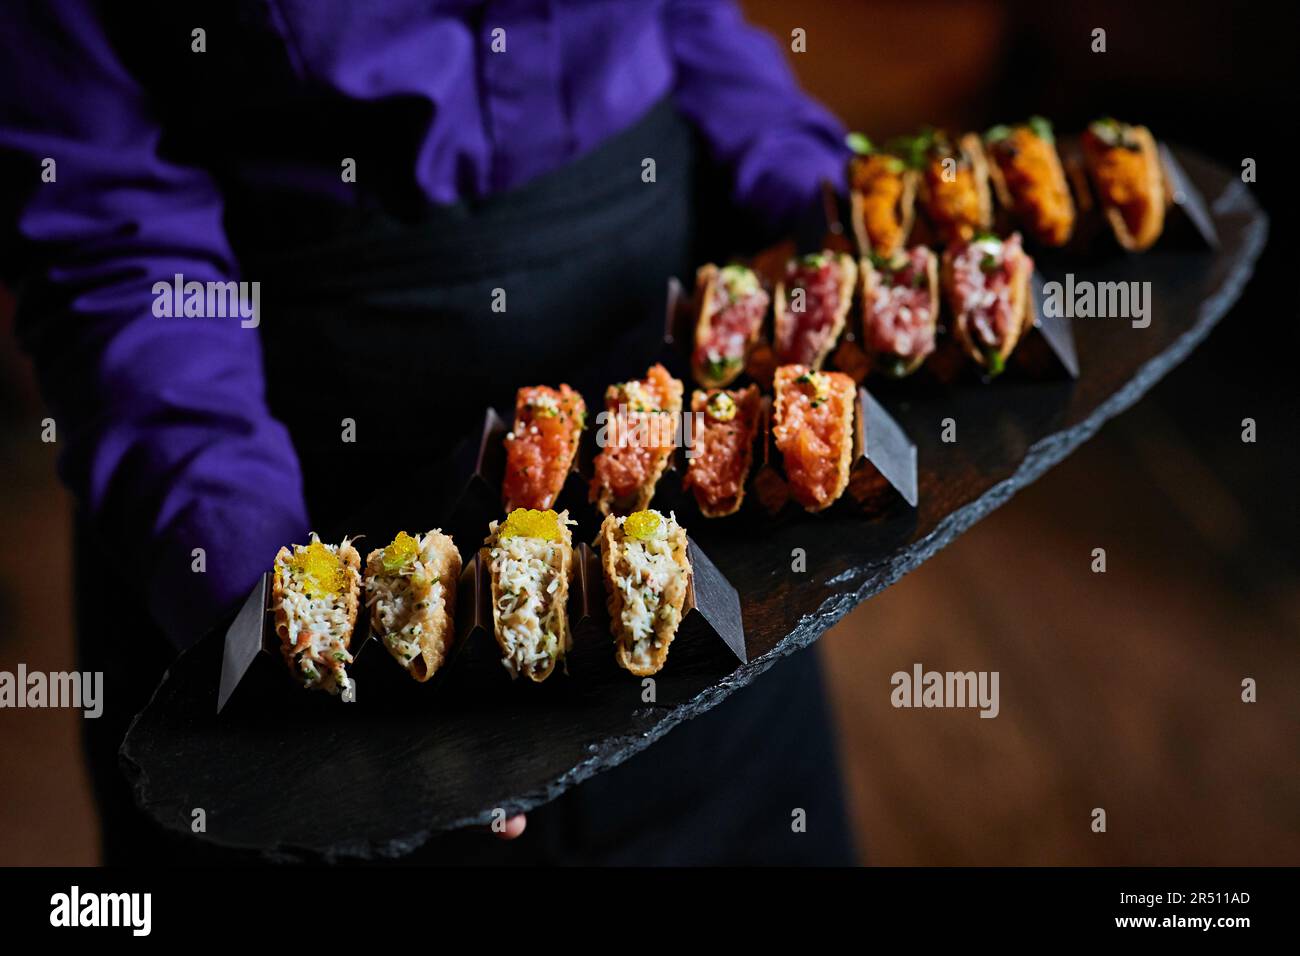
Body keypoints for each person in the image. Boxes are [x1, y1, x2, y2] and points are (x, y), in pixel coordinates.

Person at [0, 0, 856, 865]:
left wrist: (808, 177)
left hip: (678, 441)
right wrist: (273, 614)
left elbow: (686, 21)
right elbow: (107, 229)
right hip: (273, 447)